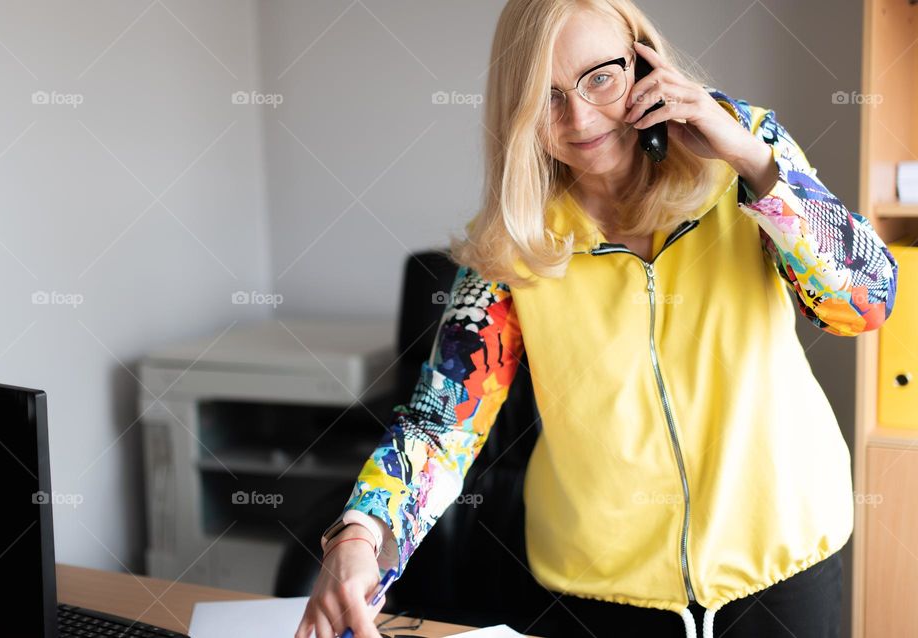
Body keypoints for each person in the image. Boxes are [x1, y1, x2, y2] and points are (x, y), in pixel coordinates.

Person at [295, 1, 899, 637]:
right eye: (547, 96)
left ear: (644, 62)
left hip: (785, 561)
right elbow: (442, 422)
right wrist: (359, 535)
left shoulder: (747, 156)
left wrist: (753, 164)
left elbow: (866, 304)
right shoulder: (514, 242)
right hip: (599, 593)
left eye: (600, 78)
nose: (581, 117)